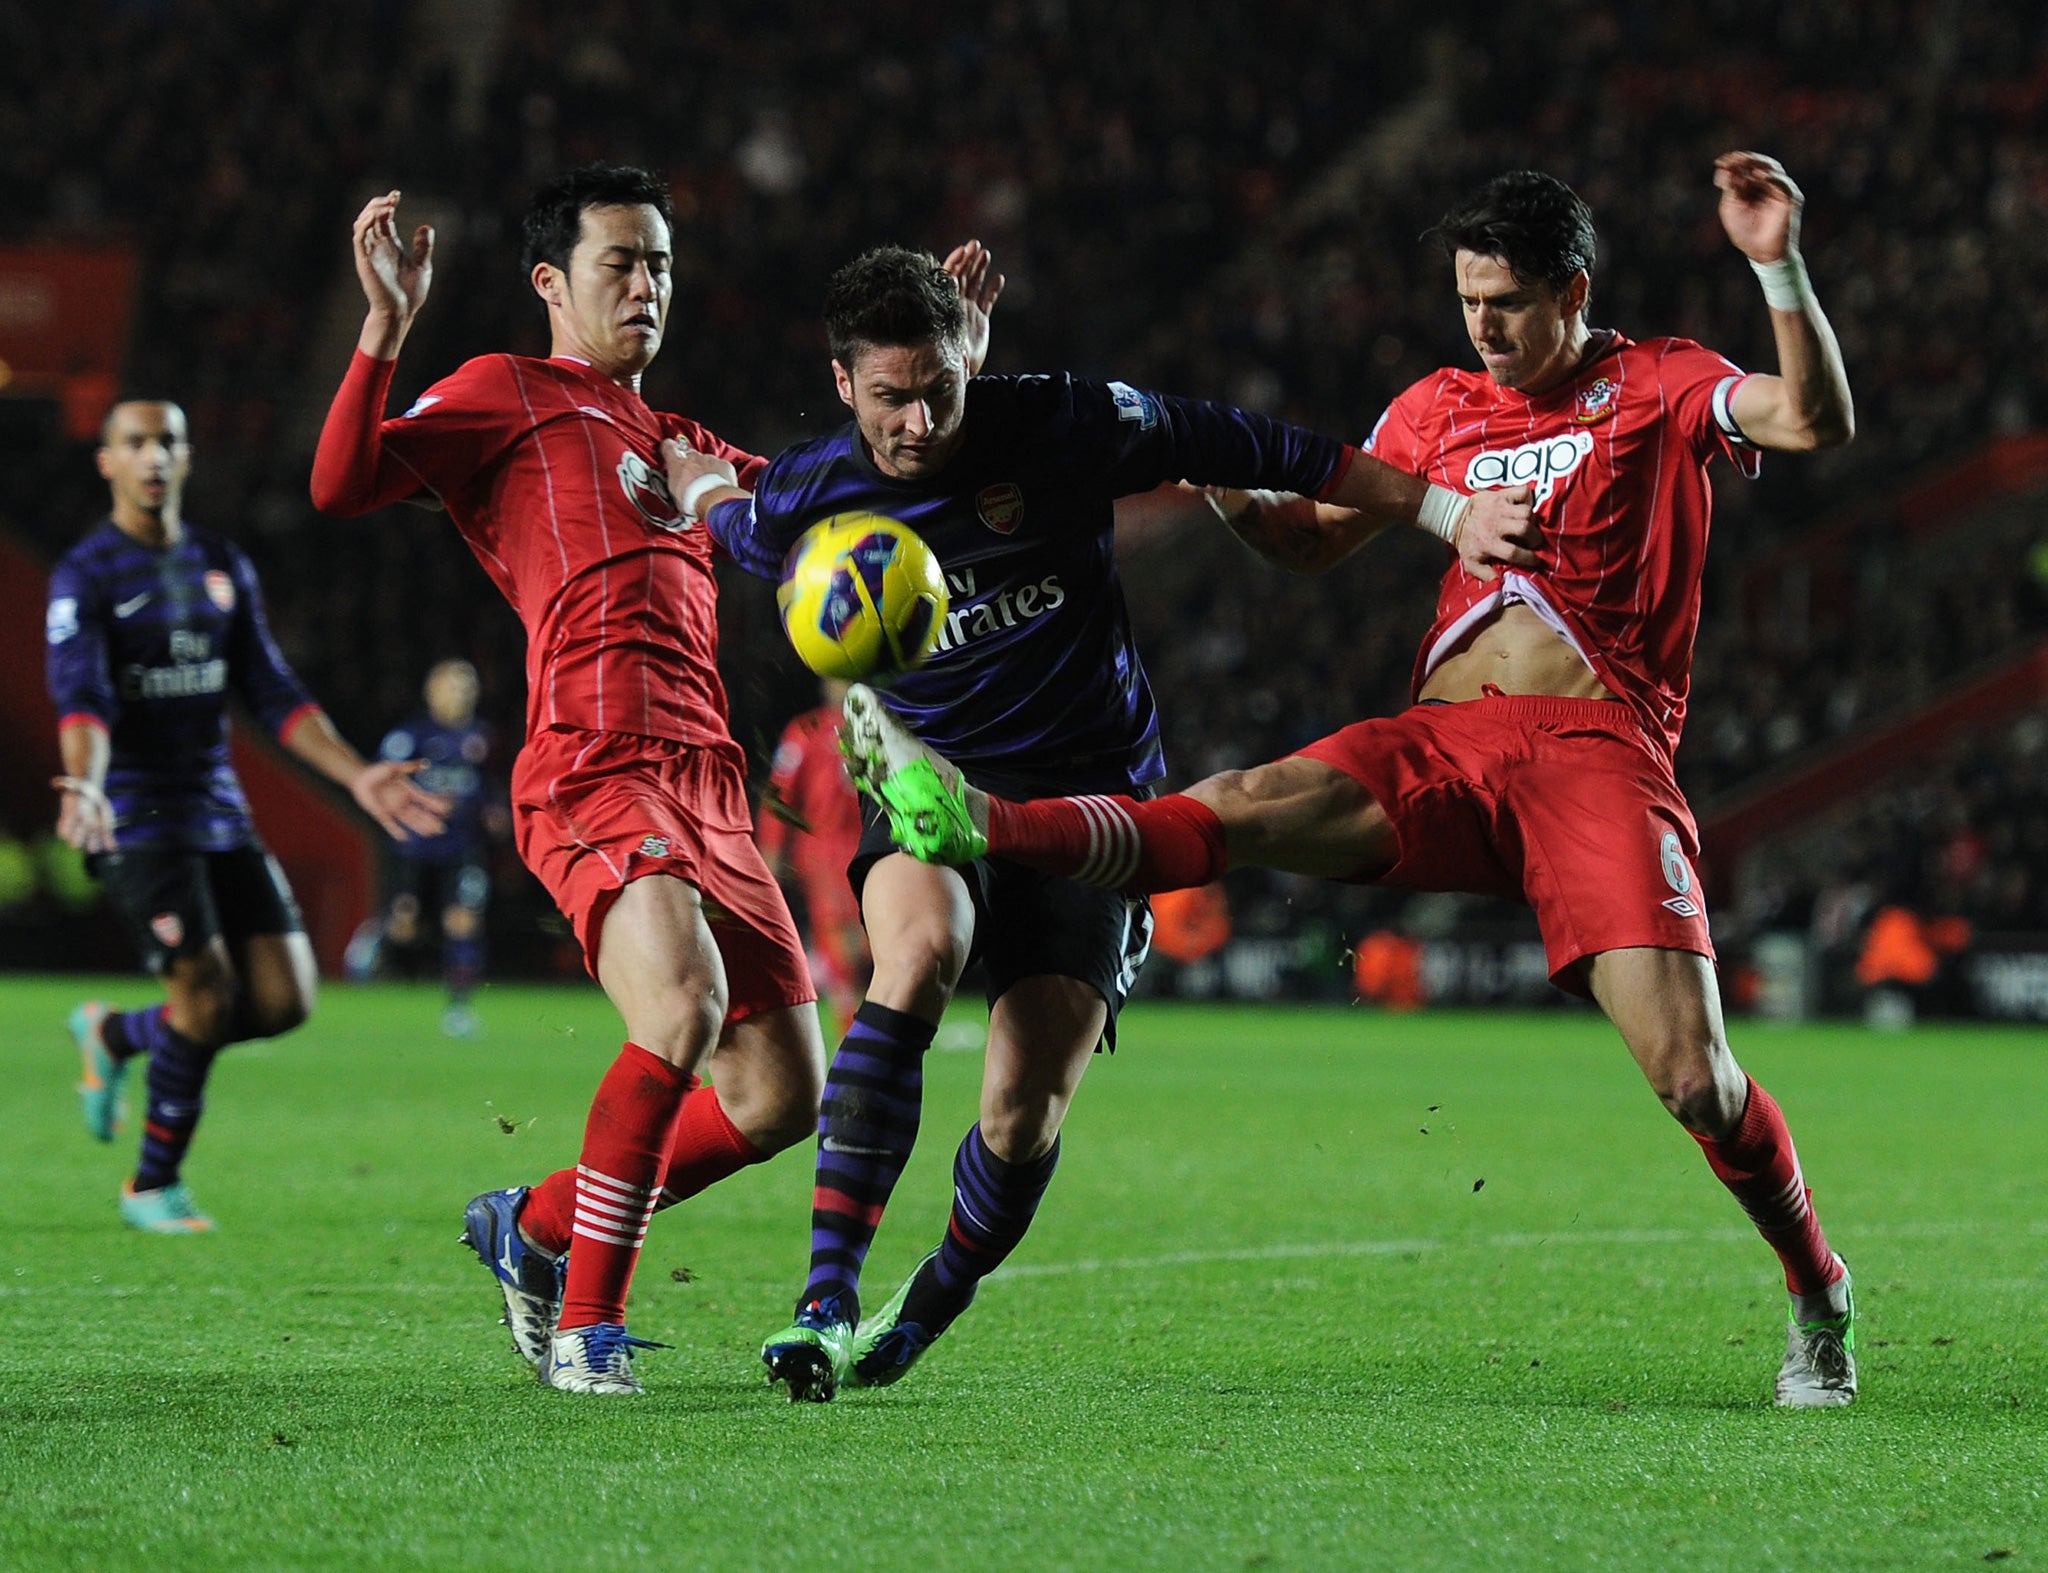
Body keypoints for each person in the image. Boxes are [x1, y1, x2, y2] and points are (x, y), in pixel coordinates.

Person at [848, 154, 1864, 1407]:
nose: (1481, 327)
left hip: (1595, 754)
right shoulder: (1435, 406)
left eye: (1506, 303)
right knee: (1239, 801)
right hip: (1442, 744)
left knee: (1694, 1082)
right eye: (1466, 301)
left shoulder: (1659, 380)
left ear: (1572, 291)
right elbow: (1306, 543)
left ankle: (1815, 1289)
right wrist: (1222, 482)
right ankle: (986, 824)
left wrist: (1776, 264)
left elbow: (1810, 421)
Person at [666, 245, 1537, 1400]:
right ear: (842, 384)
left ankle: (930, 1298)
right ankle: (823, 1300)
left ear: (967, 360)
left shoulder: (1065, 422)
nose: (918, 422)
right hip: (934, 779)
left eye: (939, 389)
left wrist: (1441, 509)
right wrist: (694, 487)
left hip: (1094, 799)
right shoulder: (815, 490)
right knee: (913, 957)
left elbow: (1263, 447)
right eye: (890, 398)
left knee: (1019, 1112)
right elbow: (743, 529)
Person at [310, 167, 1000, 1394]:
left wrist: (952, 373)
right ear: (550, 282)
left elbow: (853, 497)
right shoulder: (505, 392)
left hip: (710, 780)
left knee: (780, 1094)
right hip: (591, 757)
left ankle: (532, 1226)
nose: (645, 286)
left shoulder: (686, 445)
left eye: (661, 264)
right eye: (619, 262)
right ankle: (588, 1326)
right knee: (680, 1009)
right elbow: (341, 484)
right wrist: (384, 327)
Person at [48, 399, 448, 1233]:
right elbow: (82, 698)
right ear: (107, 462)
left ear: (187, 456)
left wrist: (356, 774)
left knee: (283, 1000)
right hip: (136, 815)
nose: (154, 456)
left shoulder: (219, 562)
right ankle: (151, 1185)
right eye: (135, 443)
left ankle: (117, 1034)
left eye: (168, 441)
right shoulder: (87, 575)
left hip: (218, 810)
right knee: (203, 998)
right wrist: (84, 784)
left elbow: (270, 689)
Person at [352, 658, 499, 1037]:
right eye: (454, 685)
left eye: (468, 687)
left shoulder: (480, 737)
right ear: (432, 691)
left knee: (463, 920)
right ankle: (374, 937)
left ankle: (459, 1009)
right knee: (406, 924)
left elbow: (485, 784)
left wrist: (494, 810)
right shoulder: (410, 737)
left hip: (462, 847)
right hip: (414, 845)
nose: (462, 694)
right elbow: (382, 778)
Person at [757, 678, 868, 1031]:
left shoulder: (878, 727)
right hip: (824, 852)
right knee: (843, 946)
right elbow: (780, 793)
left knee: (870, 945)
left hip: (873, 846)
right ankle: (850, 1030)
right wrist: (772, 849)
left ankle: (813, 968)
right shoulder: (808, 729)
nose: (843, 687)